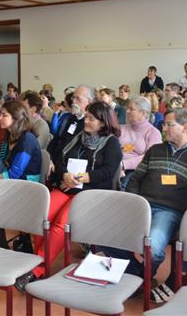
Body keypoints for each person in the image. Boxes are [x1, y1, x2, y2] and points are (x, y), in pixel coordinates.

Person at [103, 108, 187, 302]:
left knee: (153, 249)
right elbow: (136, 180)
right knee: (103, 235)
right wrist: (134, 201)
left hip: (169, 212)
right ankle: (139, 276)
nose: (163, 128)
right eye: (164, 124)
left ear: (185, 127)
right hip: (141, 206)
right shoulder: (155, 150)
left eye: (169, 124)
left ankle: (140, 278)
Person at [19, 102, 123, 290]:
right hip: (67, 186)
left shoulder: (111, 142)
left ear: (103, 122)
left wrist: (81, 179)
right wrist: (65, 175)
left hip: (90, 192)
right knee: (42, 216)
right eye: (87, 116)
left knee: (62, 223)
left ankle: (38, 268)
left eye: (91, 118)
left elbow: (108, 171)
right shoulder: (78, 136)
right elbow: (59, 158)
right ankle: (40, 262)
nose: (86, 121)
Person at [0, 100, 42, 200]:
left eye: (4, 115)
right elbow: (4, 161)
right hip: (9, 175)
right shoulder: (10, 135)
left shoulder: (27, 139)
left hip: (24, 183)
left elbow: (15, 174)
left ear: (16, 118)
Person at [118, 96, 162, 190]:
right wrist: (117, 166)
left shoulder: (153, 133)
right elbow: (112, 150)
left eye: (131, 109)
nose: (127, 111)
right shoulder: (121, 128)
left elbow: (149, 157)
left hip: (136, 170)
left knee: (125, 185)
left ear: (143, 113)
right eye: (127, 108)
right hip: (116, 165)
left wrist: (124, 164)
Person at [47, 85, 94, 158]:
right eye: (73, 98)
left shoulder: (91, 124)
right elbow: (55, 140)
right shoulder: (69, 118)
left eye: (78, 98)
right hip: (57, 159)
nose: (74, 101)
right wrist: (49, 158)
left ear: (89, 101)